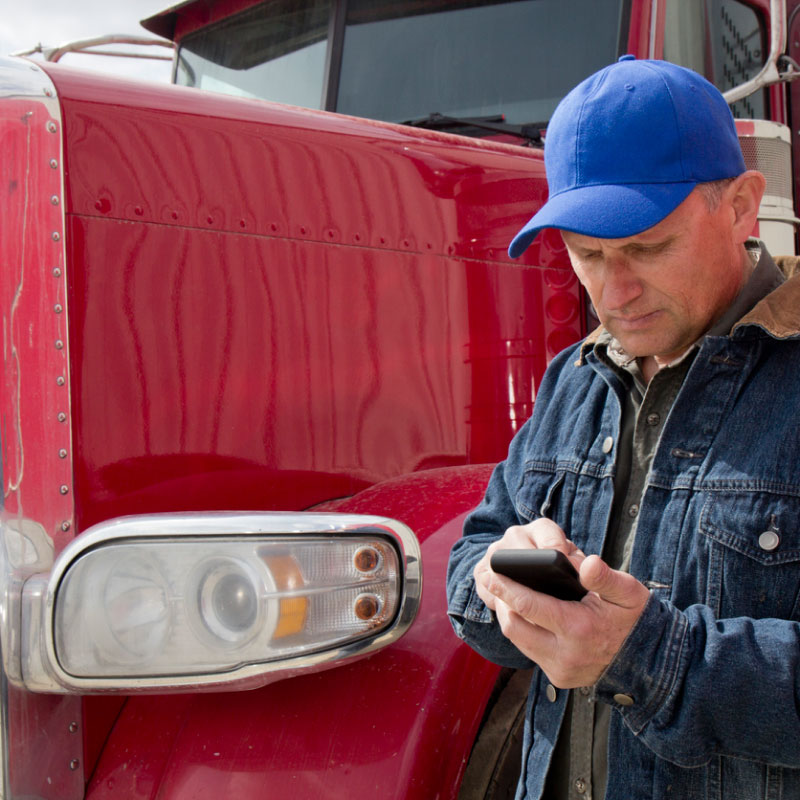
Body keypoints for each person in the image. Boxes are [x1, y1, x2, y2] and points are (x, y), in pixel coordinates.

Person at [446, 55, 800, 800]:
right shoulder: (572, 380)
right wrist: (510, 576)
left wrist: (650, 656)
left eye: (646, 246)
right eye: (586, 253)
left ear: (741, 205)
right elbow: (474, 553)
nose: (615, 291)